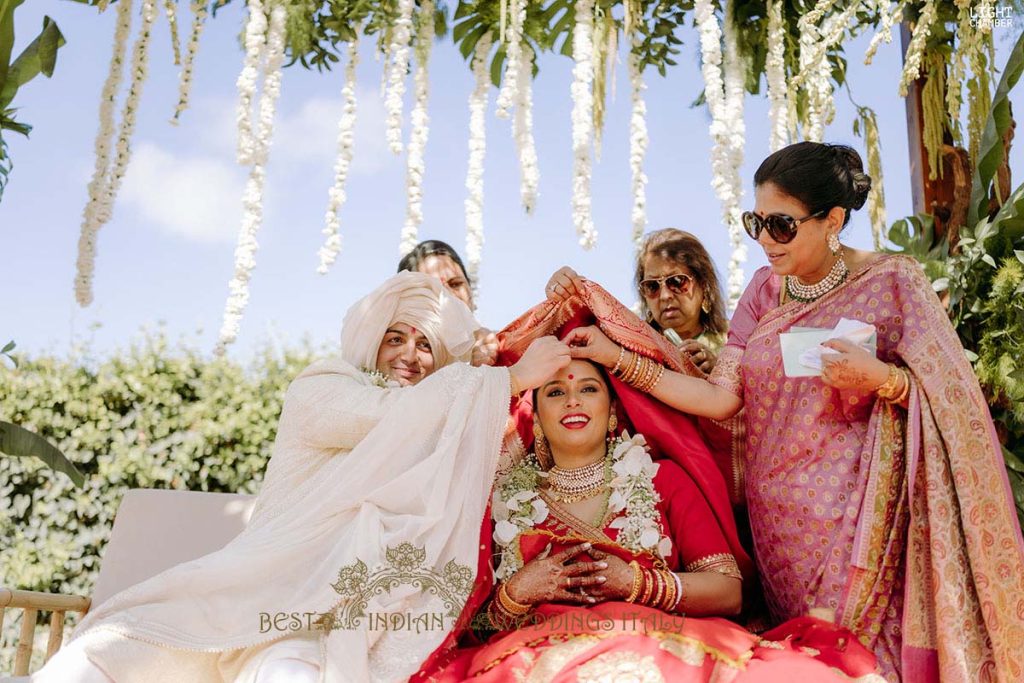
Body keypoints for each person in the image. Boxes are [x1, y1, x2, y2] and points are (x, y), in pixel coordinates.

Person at [550, 142, 1024, 682]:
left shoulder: (894, 281)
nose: (764, 241)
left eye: (781, 225)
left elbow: (952, 396)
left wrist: (885, 380)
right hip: (780, 531)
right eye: (756, 222)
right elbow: (721, 398)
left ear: (833, 220)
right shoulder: (763, 291)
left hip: (864, 517)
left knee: (866, 665)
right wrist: (615, 356)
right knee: (804, 666)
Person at [29, 272, 569, 683]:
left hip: (333, 629)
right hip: (246, 595)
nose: (408, 354)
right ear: (372, 342)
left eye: (425, 344)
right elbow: (390, 420)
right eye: (395, 338)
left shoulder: (445, 433)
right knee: (103, 654)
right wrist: (515, 377)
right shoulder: (323, 389)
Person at [413, 287, 882, 682]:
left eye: (589, 388)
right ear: (536, 418)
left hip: (658, 644)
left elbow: (727, 590)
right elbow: (470, 621)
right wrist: (519, 590)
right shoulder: (500, 496)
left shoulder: (664, 479)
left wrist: (635, 582)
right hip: (532, 654)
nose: (572, 400)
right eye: (555, 391)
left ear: (613, 410)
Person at [548, 229, 727, 374]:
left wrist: (720, 372)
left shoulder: (736, 341)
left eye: (677, 282)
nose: (665, 296)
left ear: (704, 285)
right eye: (652, 286)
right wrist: (565, 291)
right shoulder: (630, 344)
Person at [398, 239, 499, 367]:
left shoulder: (505, 345)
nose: (450, 296)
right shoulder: (404, 365)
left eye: (456, 284)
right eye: (434, 289)